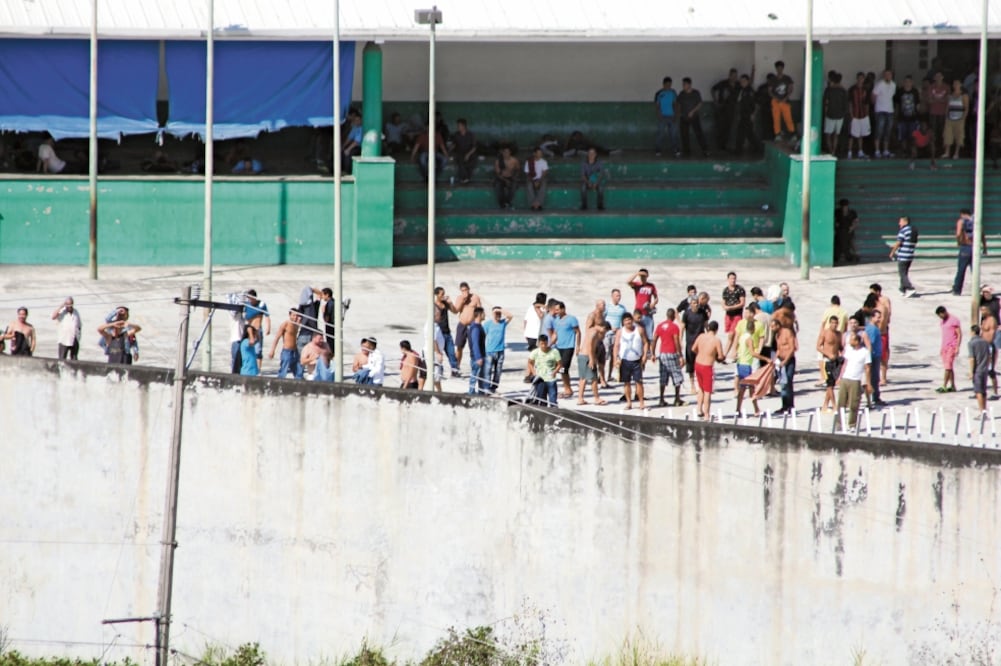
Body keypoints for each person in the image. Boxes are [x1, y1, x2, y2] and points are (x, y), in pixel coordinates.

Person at [690, 320, 725, 419]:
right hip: (707, 366)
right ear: (716, 330)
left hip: (698, 363)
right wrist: (719, 357)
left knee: (700, 389)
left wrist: (701, 352)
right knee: (707, 391)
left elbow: (693, 348)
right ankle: (706, 414)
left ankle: (699, 409)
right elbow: (721, 356)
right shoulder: (716, 340)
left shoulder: (701, 336)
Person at [613, 313, 648, 410]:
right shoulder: (620, 332)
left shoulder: (639, 330)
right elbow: (616, 346)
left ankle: (641, 403)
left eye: (629, 319)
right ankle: (629, 402)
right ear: (623, 322)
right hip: (625, 361)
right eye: (625, 320)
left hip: (637, 361)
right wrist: (615, 359)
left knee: (639, 382)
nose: (628, 322)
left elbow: (645, 343)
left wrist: (645, 355)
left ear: (632, 320)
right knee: (626, 383)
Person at [734, 318, 769, 416]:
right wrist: (765, 359)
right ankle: (756, 410)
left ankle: (739, 409)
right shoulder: (749, 338)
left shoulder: (742, 336)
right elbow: (753, 353)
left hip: (740, 363)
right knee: (750, 388)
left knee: (743, 388)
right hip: (746, 364)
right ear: (753, 328)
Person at [837, 333, 871, 431]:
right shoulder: (849, 350)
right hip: (845, 378)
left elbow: (867, 368)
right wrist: (840, 377)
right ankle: (839, 423)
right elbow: (845, 364)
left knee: (854, 404)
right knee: (841, 402)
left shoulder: (865, 352)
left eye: (852, 340)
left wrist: (868, 383)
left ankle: (852, 424)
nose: (849, 342)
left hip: (856, 380)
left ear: (857, 341)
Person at [653, 308, 685, 407]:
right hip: (672, 353)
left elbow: (654, 339)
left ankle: (661, 399)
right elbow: (676, 341)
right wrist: (680, 355)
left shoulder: (660, 325)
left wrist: (653, 353)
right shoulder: (674, 327)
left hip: (662, 354)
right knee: (676, 376)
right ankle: (677, 398)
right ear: (674, 316)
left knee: (663, 377)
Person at [682, 292, 712, 392]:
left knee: (701, 363)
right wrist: (680, 339)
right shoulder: (686, 313)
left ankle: (701, 384)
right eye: (694, 303)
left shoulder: (702, 313)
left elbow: (706, 325)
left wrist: (709, 336)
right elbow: (682, 327)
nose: (696, 304)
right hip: (690, 341)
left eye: (697, 303)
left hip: (701, 341)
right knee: (690, 365)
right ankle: (692, 385)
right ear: (690, 304)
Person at [952, 208, 986, 296]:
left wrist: (958, 242)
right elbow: (982, 234)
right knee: (975, 270)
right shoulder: (976, 221)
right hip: (975, 247)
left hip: (965, 247)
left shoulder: (961, 221)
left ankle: (957, 290)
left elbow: (958, 234)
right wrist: (985, 247)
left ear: (962, 214)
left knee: (961, 270)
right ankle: (976, 289)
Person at [577, 319, 609, 406]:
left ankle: (580, 398)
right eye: (605, 331)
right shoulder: (594, 332)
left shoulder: (590, 330)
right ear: (603, 327)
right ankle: (596, 398)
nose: (604, 334)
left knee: (583, 378)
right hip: (587, 356)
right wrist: (592, 359)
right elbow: (590, 345)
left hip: (582, 356)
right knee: (594, 378)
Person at [552, 302, 581, 400]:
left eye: (557, 310)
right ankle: (567, 389)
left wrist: (578, 346)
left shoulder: (571, 319)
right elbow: (555, 334)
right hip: (558, 347)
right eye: (555, 310)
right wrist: (549, 345)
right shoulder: (556, 320)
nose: (556, 312)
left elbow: (578, 332)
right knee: (561, 369)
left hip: (569, 347)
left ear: (563, 309)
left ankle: (568, 389)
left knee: (563, 368)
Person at [817, 316, 845, 412]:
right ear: (830, 323)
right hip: (827, 361)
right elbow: (818, 347)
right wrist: (828, 354)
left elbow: (840, 347)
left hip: (836, 361)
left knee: (832, 384)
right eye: (832, 323)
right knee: (829, 384)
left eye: (836, 323)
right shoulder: (825, 333)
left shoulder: (839, 334)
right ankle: (834, 406)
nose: (834, 325)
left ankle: (825, 406)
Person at [453, 281, 483, 372]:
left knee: (473, 347)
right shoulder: (459, 298)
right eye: (462, 290)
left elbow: (480, 311)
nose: (464, 292)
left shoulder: (475, 297)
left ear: (469, 289)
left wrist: (479, 324)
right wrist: (463, 301)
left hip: (472, 325)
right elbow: (455, 311)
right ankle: (456, 367)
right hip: (462, 324)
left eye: (466, 290)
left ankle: (475, 367)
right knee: (459, 347)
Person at [483, 306, 512, 394]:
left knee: (498, 371)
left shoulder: (503, 323)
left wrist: (501, 310)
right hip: (490, 351)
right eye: (496, 313)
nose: (498, 315)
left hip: (500, 351)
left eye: (499, 314)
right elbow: (483, 336)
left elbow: (510, 316)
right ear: (492, 314)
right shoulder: (488, 324)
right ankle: (486, 388)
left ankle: (494, 387)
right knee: (488, 370)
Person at [527, 334, 562, 407]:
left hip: (551, 379)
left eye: (545, 343)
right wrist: (534, 372)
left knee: (553, 400)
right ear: (539, 343)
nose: (543, 346)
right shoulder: (535, 352)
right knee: (542, 400)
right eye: (541, 344)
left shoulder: (554, 351)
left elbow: (559, 364)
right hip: (540, 379)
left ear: (547, 342)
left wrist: (555, 372)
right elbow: (530, 362)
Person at [677, 77, 709, 158]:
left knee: (699, 133)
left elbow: (700, 104)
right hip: (684, 117)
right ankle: (686, 151)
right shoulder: (681, 94)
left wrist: (692, 111)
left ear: (689, 84)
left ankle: (705, 149)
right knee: (684, 135)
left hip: (694, 117)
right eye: (683, 84)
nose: (683, 86)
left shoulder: (695, 93)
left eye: (684, 84)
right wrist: (679, 113)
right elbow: (678, 104)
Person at [773, 318, 798, 415]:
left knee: (789, 383)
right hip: (781, 361)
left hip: (789, 360)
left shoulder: (787, 332)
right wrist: (775, 359)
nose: (772, 328)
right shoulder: (777, 335)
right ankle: (784, 406)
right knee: (783, 384)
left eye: (773, 326)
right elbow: (779, 349)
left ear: (778, 325)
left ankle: (790, 406)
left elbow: (792, 348)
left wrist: (786, 360)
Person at [602, 289, 628, 386]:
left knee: (615, 355)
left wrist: (622, 330)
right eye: (616, 295)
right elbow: (602, 319)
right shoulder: (607, 307)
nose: (618, 297)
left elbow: (625, 319)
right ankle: (602, 375)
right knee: (605, 355)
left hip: (617, 334)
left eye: (619, 295)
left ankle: (609, 375)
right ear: (612, 296)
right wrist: (608, 327)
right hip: (608, 334)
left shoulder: (622, 308)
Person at [269, 310, 303, 379]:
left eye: (297, 315)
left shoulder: (297, 324)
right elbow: (277, 337)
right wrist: (272, 350)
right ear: (290, 315)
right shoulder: (286, 324)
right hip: (287, 351)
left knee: (299, 372)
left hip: (295, 351)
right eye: (293, 315)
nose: (295, 317)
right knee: (283, 371)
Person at [627, 268, 659, 345]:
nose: (642, 277)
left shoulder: (651, 286)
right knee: (636, 333)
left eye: (644, 276)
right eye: (641, 276)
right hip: (637, 313)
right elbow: (628, 281)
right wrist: (637, 273)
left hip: (647, 313)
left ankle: (648, 352)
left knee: (649, 335)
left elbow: (656, 298)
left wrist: (653, 304)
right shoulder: (637, 285)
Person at [888, 215, 918, 296]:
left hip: (903, 255)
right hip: (910, 255)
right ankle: (902, 289)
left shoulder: (903, 231)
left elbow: (898, 242)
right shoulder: (913, 230)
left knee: (902, 273)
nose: (899, 223)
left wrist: (892, 252)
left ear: (905, 221)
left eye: (900, 221)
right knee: (905, 273)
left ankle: (910, 288)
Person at [434, 286, 460, 376]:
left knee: (451, 353)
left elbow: (455, 311)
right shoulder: (433, 305)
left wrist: (450, 303)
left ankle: (454, 370)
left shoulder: (445, 303)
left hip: (447, 332)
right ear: (437, 295)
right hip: (439, 333)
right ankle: (440, 371)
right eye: (441, 294)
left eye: (443, 294)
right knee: (439, 353)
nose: (443, 296)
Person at [711, 68, 739, 151]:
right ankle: (719, 146)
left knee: (728, 128)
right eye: (732, 75)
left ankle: (724, 146)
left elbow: (748, 84)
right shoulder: (723, 83)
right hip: (722, 108)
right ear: (729, 76)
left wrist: (753, 72)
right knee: (720, 127)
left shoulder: (738, 84)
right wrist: (715, 101)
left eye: (735, 76)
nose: (734, 77)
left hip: (732, 109)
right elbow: (713, 89)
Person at [733, 73, 761, 155]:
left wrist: (753, 114)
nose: (742, 83)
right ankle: (757, 148)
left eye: (744, 81)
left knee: (742, 132)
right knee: (748, 133)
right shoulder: (742, 90)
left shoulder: (750, 91)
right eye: (741, 81)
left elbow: (756, 104)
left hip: (748, 114)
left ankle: (738, 150)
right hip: (743, 114)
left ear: (748, 81)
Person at [872, 69, 897, 158]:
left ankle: (886, 150)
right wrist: (876, 108)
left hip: (890, 110)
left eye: (889, 74)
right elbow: (873, 96)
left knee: (888, 131)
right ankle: (877, 150)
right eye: (886, 74)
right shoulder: (879, 84)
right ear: (883, 75)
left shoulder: (893, 85)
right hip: (880, 110)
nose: (887, 76)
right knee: (879, 131)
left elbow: (892, 96)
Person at [936, 306, 962, 393]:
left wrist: (957, 347)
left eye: (941, 315)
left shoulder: (954, 320)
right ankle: (953, 386)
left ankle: (944, 385)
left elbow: (959, 334)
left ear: (944, 312)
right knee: (949, 367)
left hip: (952, 346)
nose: (941, 317)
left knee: (947, 367)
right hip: (944, 347)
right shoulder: (942, 322)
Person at [942, 79, 969, 160]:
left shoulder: (964, 95)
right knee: (947, 135)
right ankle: (947, 152)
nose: (956, 85)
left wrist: (963, 118)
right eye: (954, 84)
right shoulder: (950, 95)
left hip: (960, 118)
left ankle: (956, 153)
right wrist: (946, 116)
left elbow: (966, 108)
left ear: (960, 85)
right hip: (950, 118)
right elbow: (947, 106)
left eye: (957, 83)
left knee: (959, 136)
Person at [721, 271, 746, 357]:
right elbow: (723, 302)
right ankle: (727, 353)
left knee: (733, 333)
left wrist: (732, 307)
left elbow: (742, 303)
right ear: (728, 279)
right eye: (731, 278)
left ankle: (731, 353)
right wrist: (725, 307)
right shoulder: (725, 290)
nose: (733, 280)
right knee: (730, 334)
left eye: (734, 278)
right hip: (728, 315)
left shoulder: (740, 289)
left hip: (737, 314)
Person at [895, 75, 921, 159]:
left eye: (909, 81)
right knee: (903, 136)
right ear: (903, 82)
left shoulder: (915, 91)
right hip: (902, 118)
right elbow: (897, 104)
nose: (907, 83)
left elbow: (918, 104)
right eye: (905, 81)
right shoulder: (900, 91)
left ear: (912, 83)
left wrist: (918, 116)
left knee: (913, 136)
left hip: (913, 118)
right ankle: (904, 151)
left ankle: (912, 152)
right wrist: (896, 116)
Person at [823, 72, 848, 156]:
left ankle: (830, 151)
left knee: (828, 135)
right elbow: (846, 104)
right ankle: (834, 150)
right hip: (840, 115)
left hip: (830, 115)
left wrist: (825, 113)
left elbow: (826, 103)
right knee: (836, 135)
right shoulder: (843, 91)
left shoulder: (828, 90)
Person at [522, 292, 546, 381]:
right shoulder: (539, 309)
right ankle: (529, 374)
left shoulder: (530, 308)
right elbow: (541, 316)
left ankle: (530, 374)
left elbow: (525, 321)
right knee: (534, 355)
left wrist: (525, 332)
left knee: (534, 355)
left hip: (530, 334)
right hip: (535, 335)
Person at [245, 289, 271, 371]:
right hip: (249, 330)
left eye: (251, 298)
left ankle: (258, 369)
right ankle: (249, 367)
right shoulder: (247, 305)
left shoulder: (261, 305)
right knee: (248, 349)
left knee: (258, 351)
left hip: (257, 329)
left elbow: (267, 316)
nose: (250, 300)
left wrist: (268, 327)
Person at [847, 72, 872, 159]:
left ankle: (860, 151)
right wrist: (851, 114)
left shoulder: (866, 90)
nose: (861, 80)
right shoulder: (852, 89)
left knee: (861, 134)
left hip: (863, 115)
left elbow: (867, 103)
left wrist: (867, 114)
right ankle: (849, 151)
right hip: (855, 114)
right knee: (852, 134)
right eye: (859, 78)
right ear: (857, 78)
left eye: (862, 78)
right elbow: (850, 102)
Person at [969, 324, 992, 416]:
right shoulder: (985, 342)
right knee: (984, 391)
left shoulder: (971, 343)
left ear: (973, 332)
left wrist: (971, 372)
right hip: (985, 369)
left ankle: (981, 411)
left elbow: (972, 358)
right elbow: (989, 356)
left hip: (977, 370)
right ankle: (984, 410)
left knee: (978, 391)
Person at [654, 76, 679, 157]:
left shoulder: (673, 92)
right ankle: (658, 149)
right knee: (660, 133)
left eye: (670, 84)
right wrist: (659, 115)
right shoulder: (659, 93)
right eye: (667, 84)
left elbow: (675, 104)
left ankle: (675, 149)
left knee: (673, 133)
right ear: (663, 84)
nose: (669, 86)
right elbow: (657, 105)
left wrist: (676, 115)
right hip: (663, 116)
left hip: (672, 116)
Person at [770, 61, 795, 141]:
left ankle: (792, 134)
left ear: (783, 68)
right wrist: (776, 98)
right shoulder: (772, 79)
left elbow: (791, 89)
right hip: (775, 101)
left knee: (788, 118)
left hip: (785, 101)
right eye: (778, 68)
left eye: (781, 68)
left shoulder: (787, 78)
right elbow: (769, 91)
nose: (779, 70)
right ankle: (777, 134)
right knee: (776, 118)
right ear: (776, 69)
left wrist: (786, 98)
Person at [927, 72, 950, 155]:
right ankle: (933, 149)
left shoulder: (946, 87)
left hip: (943, 113)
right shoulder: (931, 87)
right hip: (933, 112)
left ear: (943, 77)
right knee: (933, 131)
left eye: (940, 76)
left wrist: (936, 100)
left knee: (942, 131)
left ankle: (941, 149)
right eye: (937, 76)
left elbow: (948, 100)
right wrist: (941, 100)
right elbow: (929, 100)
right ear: (934, 78)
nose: (938, 78)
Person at [467, 308, 487, 395]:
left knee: (480, 377)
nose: (485, 315)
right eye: (483, 313)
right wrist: (478, 357)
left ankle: (481, 393)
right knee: (475, 376)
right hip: (477, 357)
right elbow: (475, 343)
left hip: (479, 356)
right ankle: (471, 393)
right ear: (479, 314)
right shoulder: (475, 328)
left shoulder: (478, 326)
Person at [834, 199, 860, 264]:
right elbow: (834, 221)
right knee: (839, 245)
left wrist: (852, 227)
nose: (844, 208)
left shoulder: (852, 212)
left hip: (849, 232)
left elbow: (856, 221)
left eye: (845, 206)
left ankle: (855, 257)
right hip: (840, 232)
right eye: (843, 206)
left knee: (851, 244)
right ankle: (838, 257)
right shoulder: (837, 212)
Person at [452, 118, 477, 184]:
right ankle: (465, 178)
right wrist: (449, 149)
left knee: (472, 162)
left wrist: (468, 155)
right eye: (458, 126)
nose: (458, 127)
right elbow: (454, 145)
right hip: (460, 153)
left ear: (464, 126)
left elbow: (474, 147)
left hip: (470, 152)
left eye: (459, 126)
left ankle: (466, 178)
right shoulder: (456, 134)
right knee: (460, 161)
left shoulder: (471, 135)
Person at [523, 147, 549, 211]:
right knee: (529, 186)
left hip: (541, 178)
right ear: (534, 154)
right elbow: (527, 173)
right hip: (531, 178)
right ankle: (533, 204)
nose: (540, 154)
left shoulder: (544, 162)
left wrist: (539, 181)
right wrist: (533, 181)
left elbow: (545, 172)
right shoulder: (529, 161)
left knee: (543, 185)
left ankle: (539, 204)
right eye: (539, 153)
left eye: (541, 153)